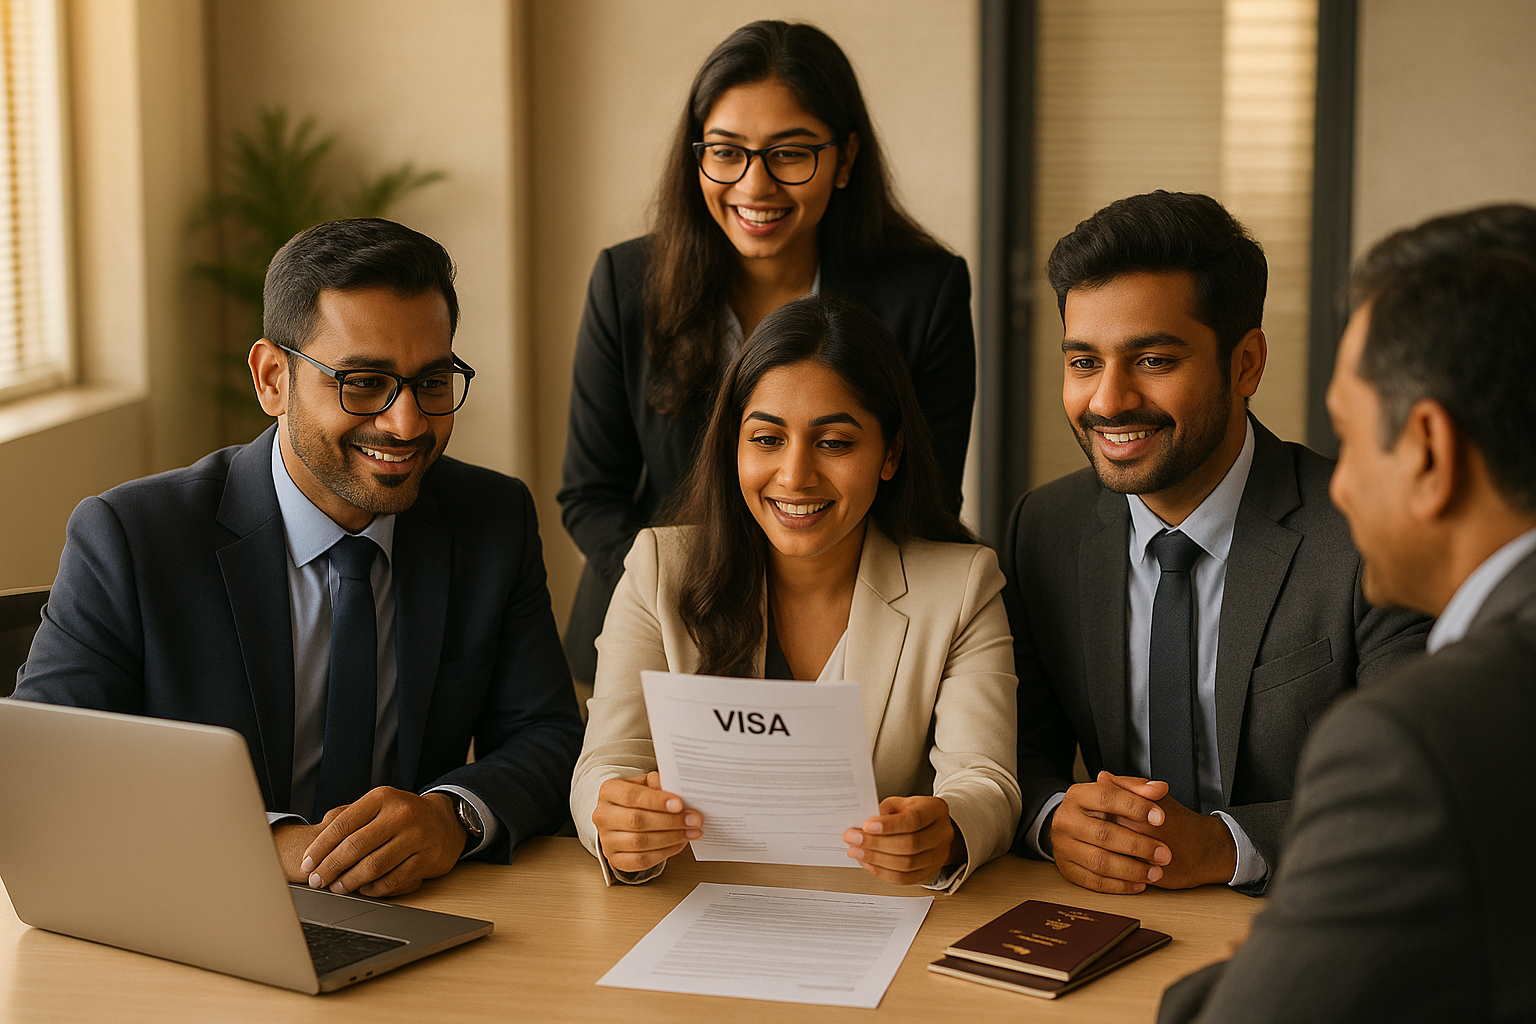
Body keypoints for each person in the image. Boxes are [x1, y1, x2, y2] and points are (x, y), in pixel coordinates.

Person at [14, 219, 584, 898]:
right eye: (364, 382)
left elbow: (547, 736)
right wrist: (269, 841)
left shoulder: (492, 519)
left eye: (432, 383)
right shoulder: (133, 538)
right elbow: (46, 777)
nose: (406, 424)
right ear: (272, 378)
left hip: (415, 918)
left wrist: (449, 816)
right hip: (195, 913)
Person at [1158, 204, 1536, 1023]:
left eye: (1351, 438)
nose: (1339, 485)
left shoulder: (1415, 741)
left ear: (1429, 451)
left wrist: (1261, 962)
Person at [1004, 191, 1429, 896]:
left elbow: (1414, 785)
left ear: (1246, 364)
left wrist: (1228, 848)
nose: (1108, 400)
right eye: (1083, 362)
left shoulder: (1366, 534)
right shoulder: (1042, 530)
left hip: (1308, 918)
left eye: (1153, 360)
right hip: (1110, 918)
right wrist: (1054, 819)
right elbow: (1016, 751)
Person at [558, 19, 976, 686]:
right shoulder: (626, 282)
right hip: (658, 640)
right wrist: (685, 602)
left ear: (845, 159)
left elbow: (924, 497)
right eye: (726, 152)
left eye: (789, 154)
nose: (754, 186)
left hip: (851, 647)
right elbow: (591, 496)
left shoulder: (925, 292)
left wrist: (804, 609)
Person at [569, 295, 1018, 892]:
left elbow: (985, 780)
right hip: (699, 907)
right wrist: (620, 823)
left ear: (891, 454)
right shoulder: (658, 568)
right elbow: (605, 766)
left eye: (834, 442)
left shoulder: (962, 585)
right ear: (734, 446)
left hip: (878, 913)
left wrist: (948, 829)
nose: (795, 475)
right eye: (766, 439)